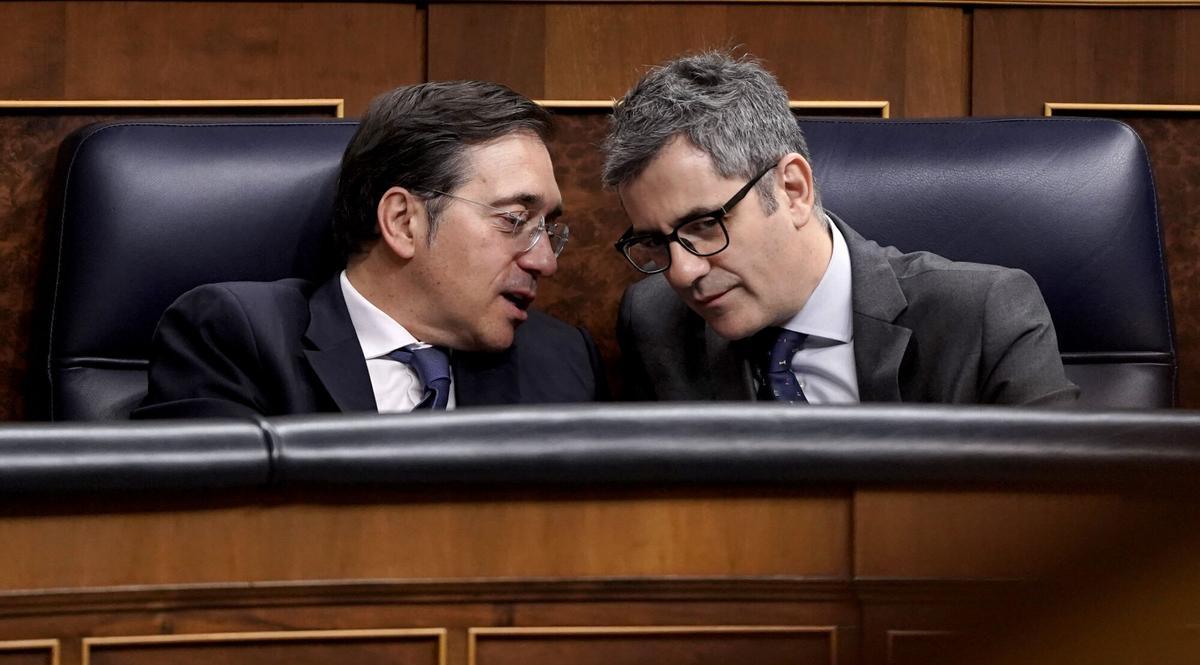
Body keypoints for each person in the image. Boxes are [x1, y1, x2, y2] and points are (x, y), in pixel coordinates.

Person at [604, 52, 1078, 405]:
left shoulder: (984, 316)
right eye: (655, 241)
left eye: (705, 224)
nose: (682, 272)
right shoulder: (654, 322)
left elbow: (1060, 500)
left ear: (792, 189)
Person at [134, 81, 605, 419]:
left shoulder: (560, 360)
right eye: (514, 220)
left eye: (548, 228)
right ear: (402, 221)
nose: (545, 261)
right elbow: (200, 525)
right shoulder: (236, 338)